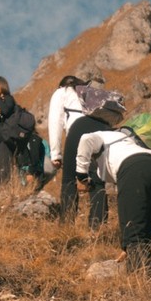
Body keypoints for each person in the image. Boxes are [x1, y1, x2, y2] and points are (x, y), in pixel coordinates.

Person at [75, 127, 151, 272]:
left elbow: (85, 138)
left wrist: (81, 175)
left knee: (133, 230)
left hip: (135, 167)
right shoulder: (126, 141)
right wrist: (126, 247)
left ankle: (137, 282)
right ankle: (146, 272)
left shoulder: (100, 135)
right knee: (146, 230)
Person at [48, 75, 114, 228]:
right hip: (103, 128)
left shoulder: (61, 92)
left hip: (80, 128)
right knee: (97, 179)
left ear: (62, 85)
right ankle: (97, 227)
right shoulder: (88, 94)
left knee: (69, 179)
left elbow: (55, 122)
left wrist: (55, 153)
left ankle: (66, 225)